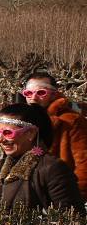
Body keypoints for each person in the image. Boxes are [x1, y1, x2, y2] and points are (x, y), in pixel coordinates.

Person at [0, 103, 84, 213]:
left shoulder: (53, 169)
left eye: (7, 133)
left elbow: (72, 221)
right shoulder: (1, 166)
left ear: (31, 133)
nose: (0, 140)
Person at [21, 71, 87, 200]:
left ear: (53, 94)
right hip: (28, 193)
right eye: (28, 93)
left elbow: (84, 162)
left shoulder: (72, 120)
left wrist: (74, 196)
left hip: (59, 192)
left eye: (41, 93)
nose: (33, 98)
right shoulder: (22, 120)